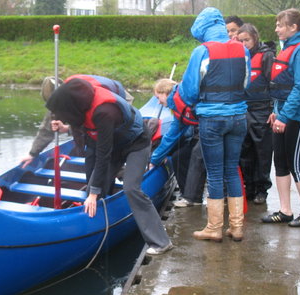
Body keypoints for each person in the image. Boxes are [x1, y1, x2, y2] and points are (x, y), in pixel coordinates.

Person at [45, 78, 173, 255]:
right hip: (115, 145)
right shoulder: (82, 105)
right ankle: (98, 224)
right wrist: (65, 128)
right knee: (94, 186)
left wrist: (93, 192)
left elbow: (103, 154)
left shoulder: (104, 111)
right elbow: (90, 138)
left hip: (136, 144)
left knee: (131, 189)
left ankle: (161, 242)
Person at [179, 7, 251, 242]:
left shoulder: (202, 51)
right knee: (231, 170)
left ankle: (214, 227)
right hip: (239, 117)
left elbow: (189, 91)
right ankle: (237, 227)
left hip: (212, 118)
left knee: (214, 173)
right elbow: (246, 82)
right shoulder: (242, 49)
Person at [262, 8, 300, 227]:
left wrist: (284, 117)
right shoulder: (288, 48)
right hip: (284, 113)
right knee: (281, 162)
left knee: (296, 163)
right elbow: (281, 87)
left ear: (293, 27)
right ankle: (285, 210)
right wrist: (276, 111)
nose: (276, 29)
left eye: (280, 25)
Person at [20, 75, 133, 168]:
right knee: (88, 144)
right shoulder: (61, 100)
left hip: (119, 99)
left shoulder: (81, 94)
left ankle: (119, 170)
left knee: (106, 143)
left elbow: (87, 123)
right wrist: (33, 153)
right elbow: (47, 129)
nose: (56, 110)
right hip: (97, 108)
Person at [150, 79, 206, 207]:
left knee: (197, 156)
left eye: (159, 97)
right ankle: (188, 194)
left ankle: (194, 197)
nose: (158, 102)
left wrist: (154, 160)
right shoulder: (177, 108)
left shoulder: (187, 100)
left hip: (211, 129)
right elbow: (171, 136)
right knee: (179, 156)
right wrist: (156, 158)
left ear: (166, 93)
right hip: (199, 133)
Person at [237, 23, 276, 204]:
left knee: (262, 152)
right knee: (245, 151)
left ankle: (262, 189)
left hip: (262, 110)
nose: (244, 44)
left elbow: (274, 83)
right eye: (241, 40)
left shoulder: (267, 55)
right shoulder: (238, 56)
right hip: (244, 108)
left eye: (247, 40)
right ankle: (249, 187)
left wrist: (274, 109)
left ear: (255, 38)